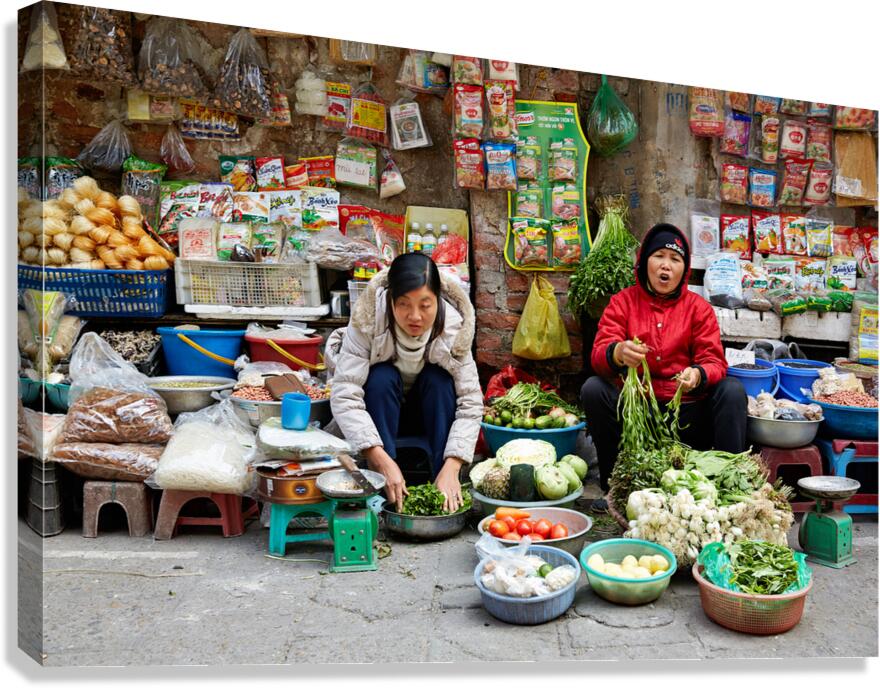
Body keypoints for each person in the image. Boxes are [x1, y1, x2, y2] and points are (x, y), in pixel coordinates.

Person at [580, 222, 747, 495]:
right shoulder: (622, 303)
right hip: (638, 414)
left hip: (687, 414)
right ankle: (615, 487)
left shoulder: (699, 309)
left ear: (685, 269)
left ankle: (729, 487)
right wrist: (618, 353)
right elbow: (599, 356)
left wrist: (698, 374)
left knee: (732, 390)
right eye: (658, 256)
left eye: (675, 259)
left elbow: (715, 362)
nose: (665, 266)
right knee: (593, 389)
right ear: (644, 261)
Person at [327, 253, 483, 512]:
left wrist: (454, 464)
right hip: (380, 415)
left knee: (440, 380)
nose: (415, 316)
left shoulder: (454, 328)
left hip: (430, 414)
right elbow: (345, 394)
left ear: (438, 300)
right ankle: (385, 483)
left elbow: (471, 400)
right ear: (390, 299)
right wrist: (379, 458)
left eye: (425, 305)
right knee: (380, 377)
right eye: (403, 304)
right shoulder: (367, 321)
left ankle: (441, 484)